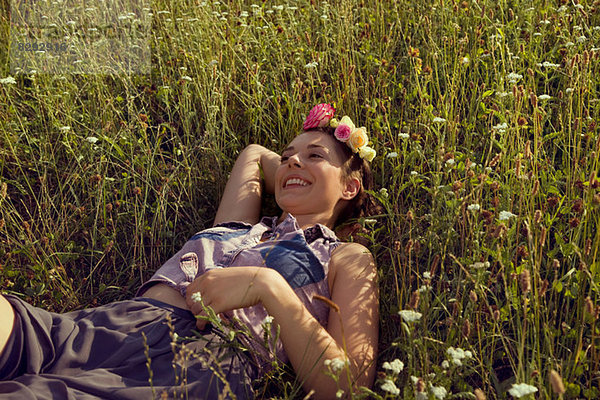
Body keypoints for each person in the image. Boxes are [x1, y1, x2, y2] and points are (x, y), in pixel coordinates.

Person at [0, 103, 379, 399]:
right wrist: (299, 166)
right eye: (287, 155)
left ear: (351, 188)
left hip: (201, 365)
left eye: (315, 155)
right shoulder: (240, 224)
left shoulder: (346, 257)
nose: (292, 159)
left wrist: (267, 286)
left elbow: (347, 385)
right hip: (118, 324)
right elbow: (252, 154)